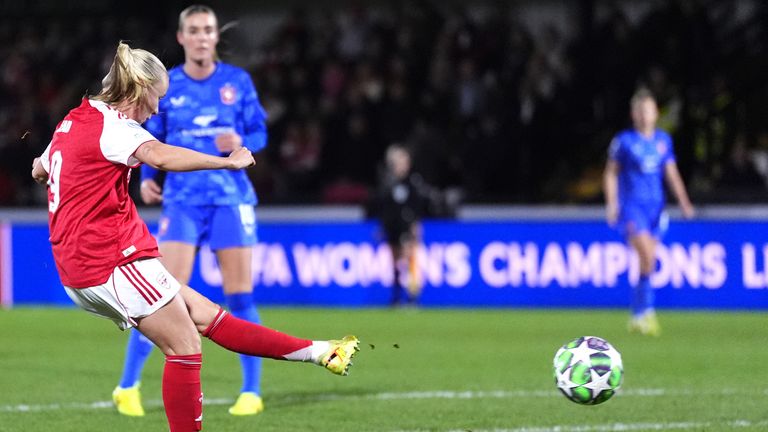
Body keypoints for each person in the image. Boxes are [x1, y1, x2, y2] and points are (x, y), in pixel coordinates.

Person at [31, 41, 359, 432]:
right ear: (140, 89)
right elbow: (162, 157)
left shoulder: (75, 119)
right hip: (110, 261)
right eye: (158, 97)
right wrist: (227, 161)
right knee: (185, 347)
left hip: (81, 268)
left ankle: (320, 352)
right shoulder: (116, 128)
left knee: (206, 316)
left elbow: (40, 167)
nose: (158, 108)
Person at [113, 5, 270, 417]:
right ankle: (127, 386)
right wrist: (146, 173)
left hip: (230, 198)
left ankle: (251, 391)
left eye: (208, 30)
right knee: (159, 295)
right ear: (181, 38)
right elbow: (148, 135)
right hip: (181, 200)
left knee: (240, 295)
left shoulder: (239, 82)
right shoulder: (170, 85)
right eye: (194, 31)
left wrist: (244, 139)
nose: (202, 37)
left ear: (217, 37)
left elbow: (260, 131)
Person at [603, 88, 695, 336]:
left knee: (648, 263)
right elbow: (611, 173)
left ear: (655, 114)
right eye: (641, 111)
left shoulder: (663, 141)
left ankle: (636, 314)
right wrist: (612, 203)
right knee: (646, 257)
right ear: (634, 114)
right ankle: (648, 313)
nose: (645, 116)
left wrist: (684, 202)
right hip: (632, 208)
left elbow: (671, 174)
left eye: (649, 111)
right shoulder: (625, 142)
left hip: (657, 208)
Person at [369, 144, 434, 306]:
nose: (401, 166)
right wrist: (382, 227)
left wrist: (415, 225)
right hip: (393, 228)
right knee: (395, 261)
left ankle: (413, 295)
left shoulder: (413, 183)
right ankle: (396, 295)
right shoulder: (387, 185)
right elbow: (384, 208)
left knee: (410, 258)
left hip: (408, 226)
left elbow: (417, 206)